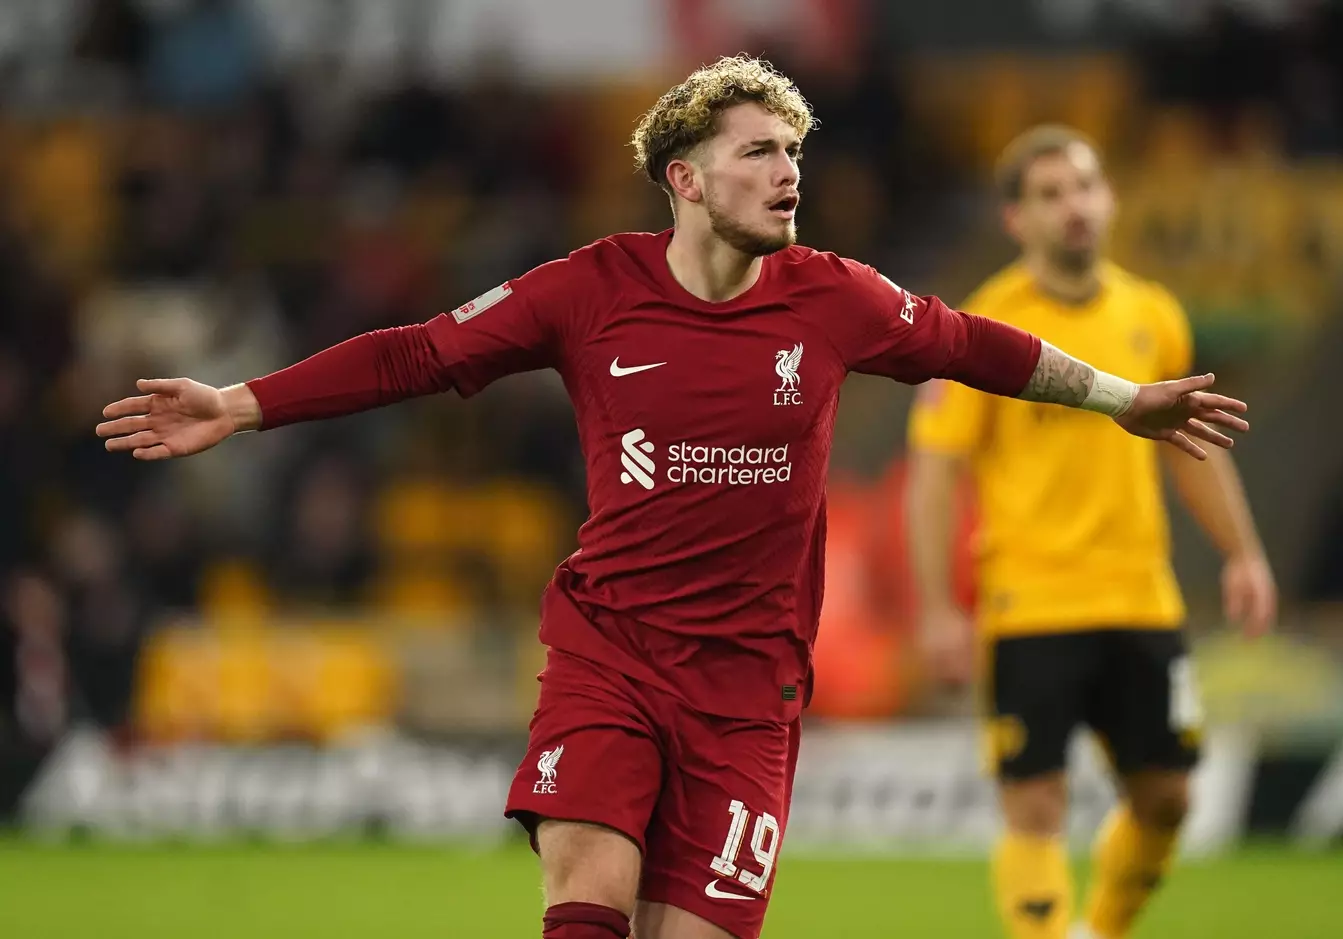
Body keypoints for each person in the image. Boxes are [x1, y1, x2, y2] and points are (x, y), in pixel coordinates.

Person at [97, 61, 1249, 939]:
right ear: (686, 178)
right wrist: (243, 403)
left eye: (794, 149)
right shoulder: (589, 288)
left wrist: (1120, 399)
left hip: (752, 693)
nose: (789, 170)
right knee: (590, 888)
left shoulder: (835, 297)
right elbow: (420, 354)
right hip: (612, 653)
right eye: (757, 152)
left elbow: (976, 345)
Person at [905, 124, 1276, 939]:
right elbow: (935, 472)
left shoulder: (1153, 315)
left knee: (1170, 797)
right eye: (1050, 193)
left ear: (1107, 199)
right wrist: (937, 607)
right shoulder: (985, 328)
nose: (1073, 207)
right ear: (1016, 219)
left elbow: (1195, 452)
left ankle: (1099, 930)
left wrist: (1243, 553)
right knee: (1035, 804)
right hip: (1030, 602)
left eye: (1084, 187)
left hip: (1141, 595)